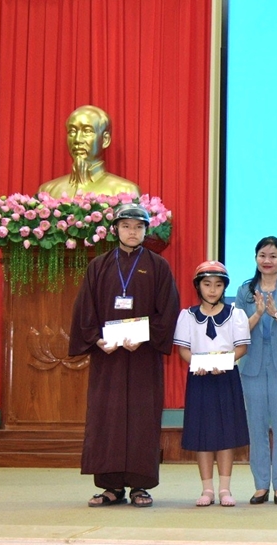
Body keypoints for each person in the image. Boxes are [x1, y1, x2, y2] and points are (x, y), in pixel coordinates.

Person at [69, 203, 180, 508]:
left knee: (142, 418)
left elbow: (168, 310)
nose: (133, 232)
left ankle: (140, 486)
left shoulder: (158, 266)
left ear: (146, 231)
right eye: (127, 226)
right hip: (108, 356)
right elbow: (85, 308)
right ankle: (110, 486)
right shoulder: (99, 266)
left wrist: (144, 336)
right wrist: (96, 339)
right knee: (107, 417)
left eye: (139, 227)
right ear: (115, 229)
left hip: (143, 356)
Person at [173, 261, 251, 507]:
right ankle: (207, 489)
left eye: (218, 285)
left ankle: (225, 488)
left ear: (224, 287)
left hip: (226, 378)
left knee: (226, 433)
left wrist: (224, 361)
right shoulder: (187, 316)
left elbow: (241, 347)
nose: (212, 290)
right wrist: (198, 363)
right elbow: (183, 349)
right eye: (207, 284)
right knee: (202, 433)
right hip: (199, 378)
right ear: (198, 286)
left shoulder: (236, 314)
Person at [235, 236, 277, 505]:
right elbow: (238, 330)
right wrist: (257, 313)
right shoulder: (245, 290)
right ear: (255, 258)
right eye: (262, 255)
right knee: (257, 426)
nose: (267, 260)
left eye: (273, 256)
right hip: (252, 363)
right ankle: (261, 485)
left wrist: (274, 313)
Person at [39, 105, 141, 198]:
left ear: (105, 140)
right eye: (72, 131)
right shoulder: (47, 191)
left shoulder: (126, 192)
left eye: (87, 131)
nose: (77, 140)